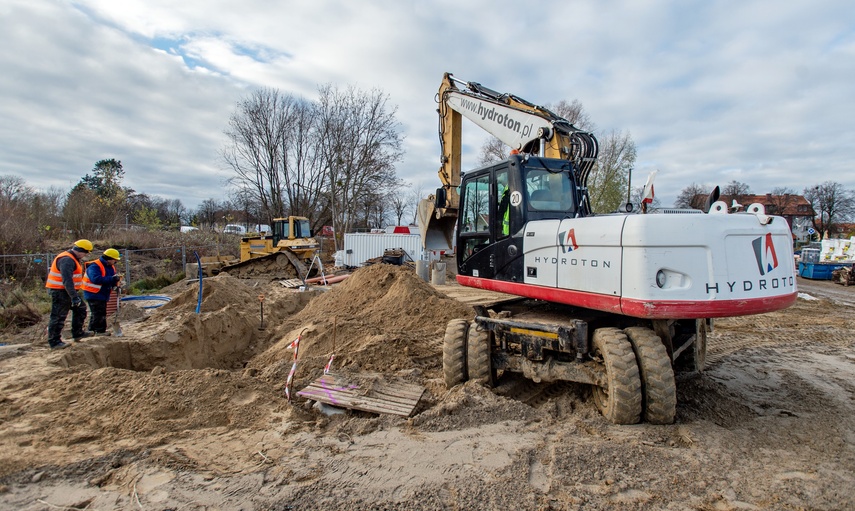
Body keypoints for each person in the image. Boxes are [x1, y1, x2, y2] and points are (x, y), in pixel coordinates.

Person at [45, 240, 93, 349]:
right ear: (81, 251)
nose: (85, 255)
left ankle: (77, 333)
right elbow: (67, 281)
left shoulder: (73, 259)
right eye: (86, 253)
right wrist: (74, 297)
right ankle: (54, 341)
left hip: (68, 291)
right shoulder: (67, 260)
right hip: (60, 292)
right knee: (58, 316)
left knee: (80, 309)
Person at [82, 248, 123, 335]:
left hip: (102, 293)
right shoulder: (94, 266)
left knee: (98, 313)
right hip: (93, 293)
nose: (115, 261)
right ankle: (99, 331)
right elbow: (95, 279)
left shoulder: (110, 266)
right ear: (109, 259)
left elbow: (112, 278)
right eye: (115, 260)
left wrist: (115, 285)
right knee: (99, 313)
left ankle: (92, 330)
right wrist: (112, 279)